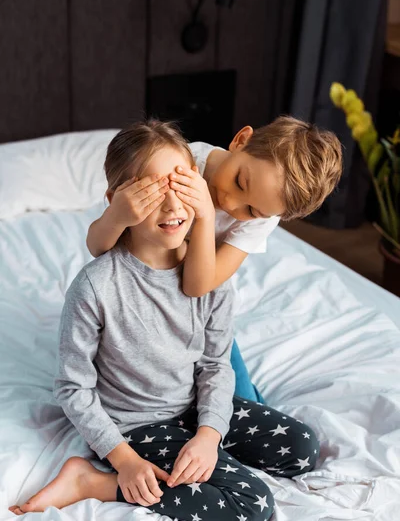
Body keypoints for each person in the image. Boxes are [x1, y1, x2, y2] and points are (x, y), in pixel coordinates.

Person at [9, 122, 319, 521]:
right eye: (156, 194)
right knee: (252, 504)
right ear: (122, 201)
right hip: (135, 424)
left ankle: (198, 455)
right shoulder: (96, 285)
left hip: (188, 404)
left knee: (302, 448)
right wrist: (122, 461)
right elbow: (73, 388)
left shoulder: (212, 281)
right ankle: (94, 482)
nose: (174, 208)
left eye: (183, 191)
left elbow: (215, 362)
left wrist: (208, 435)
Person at [86, 117, 343, 403]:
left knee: (243, 401)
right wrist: (116, 215)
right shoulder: (176, 160)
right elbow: (99, 248)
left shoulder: (264, 218)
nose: (232, 205)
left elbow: (198, 287)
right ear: (241, 140)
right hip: (142, 300)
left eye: (253, 211)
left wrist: (205, 215)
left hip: (196, 310)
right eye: (239, 182)